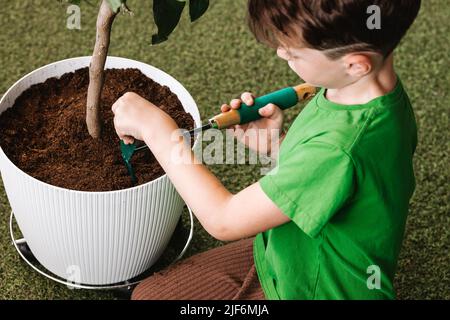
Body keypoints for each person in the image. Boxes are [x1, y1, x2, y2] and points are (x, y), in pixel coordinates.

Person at [111, 0, 421, 300]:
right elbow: (331, 181)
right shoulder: (367, 93)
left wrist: (159, 132)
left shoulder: (340, 147)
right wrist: (276, 145)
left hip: (313, 288)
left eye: (293, 51)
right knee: (150, 293)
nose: (280, 51)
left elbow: (223, 219)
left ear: (354, 64)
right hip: (288, 254)